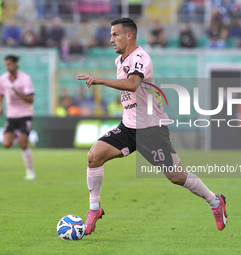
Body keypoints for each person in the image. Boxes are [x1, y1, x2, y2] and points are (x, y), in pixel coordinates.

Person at [77, 18, 228, 235]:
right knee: (94, 156)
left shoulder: (140, 57)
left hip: (151, 129)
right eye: (110, 35)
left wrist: (100, 81)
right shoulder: (120, 61)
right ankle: (94, 209)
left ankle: (215, 201)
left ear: (129, 35)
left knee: (176, 177)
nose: (111, 40)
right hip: (129, 127)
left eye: (115, 35)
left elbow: (132, 84)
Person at [0, 55, 36, 180]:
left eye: (10, 64)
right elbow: (0, 93)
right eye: (6, 64)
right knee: (6, 144)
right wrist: (0, 107)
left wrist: (16, 91)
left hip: (25, 114)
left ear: (15, 64)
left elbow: (30, 99)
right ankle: (22, 138)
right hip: (11, 115)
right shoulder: (2, 79)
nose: (8, 67)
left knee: (23, 145)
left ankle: (30, 172)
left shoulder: (25, 78)